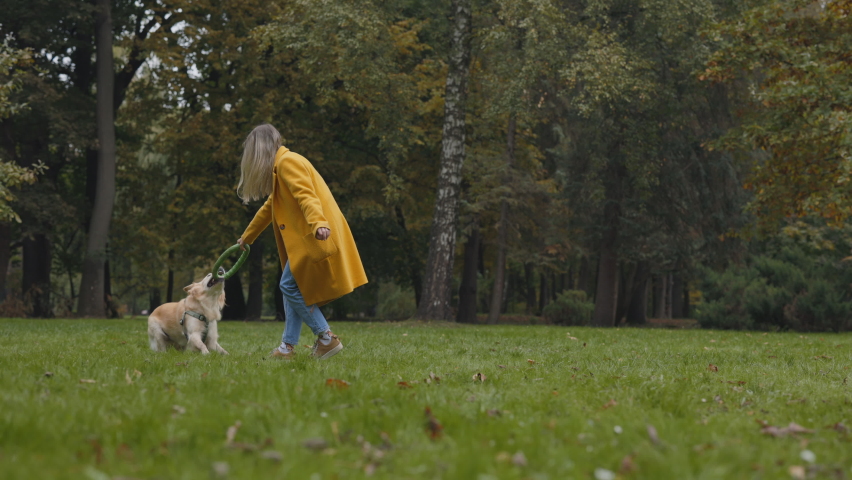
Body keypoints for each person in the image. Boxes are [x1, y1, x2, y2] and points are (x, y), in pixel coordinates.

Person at [236, 124, 368, 359]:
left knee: (288, 286)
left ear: (260, 150)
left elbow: (307, 195)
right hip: (312, 235)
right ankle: (287, 348)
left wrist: (319, 223)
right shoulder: (281, 168)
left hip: (316, 233)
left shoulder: (289, 163)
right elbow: (270, 208)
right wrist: (248, 236)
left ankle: (326, 337)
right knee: (291, 288)